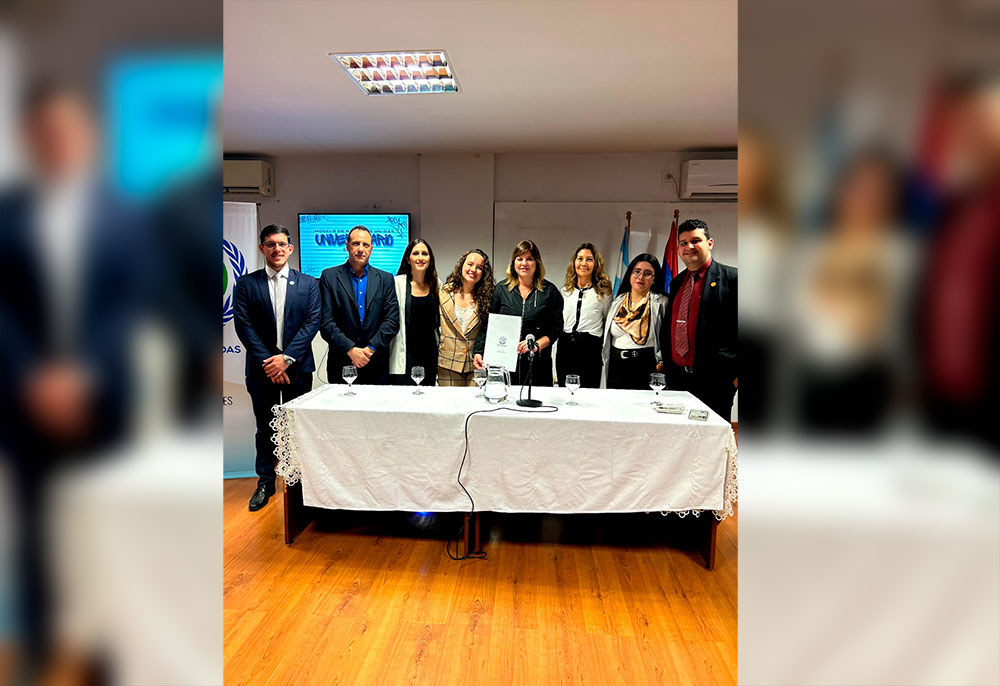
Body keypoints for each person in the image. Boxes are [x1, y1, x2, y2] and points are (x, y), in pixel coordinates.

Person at [0, 81, 147, 674]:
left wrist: (82, 374)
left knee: (104, 528)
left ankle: (106, 651)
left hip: (103, 400)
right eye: (46, 130)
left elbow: (132, 303)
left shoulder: (124, 215)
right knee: (38, 533)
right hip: (25, 400)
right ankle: (36, 649)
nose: (58, 140)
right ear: (31, 138)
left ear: (88, 136)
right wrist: (33, 376)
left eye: (69, 129)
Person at [233, 224, 321, 511]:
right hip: (262, 370)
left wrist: (287, 358)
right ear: (262, 248)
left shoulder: (308, 284)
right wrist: (270, 362)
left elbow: (312, 323)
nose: (277, 249)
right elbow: (244, 326)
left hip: (298, 368)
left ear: (290, 248)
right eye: (270, 244)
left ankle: (297, 482)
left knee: (297, 427)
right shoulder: (247, 284)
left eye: (282, 244)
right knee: (265, 428)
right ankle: (266, 481)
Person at [660, 219, 738, 421]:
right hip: (677, 380)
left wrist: (735, 377)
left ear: (709, 243)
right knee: (678, 434)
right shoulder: (677, 282)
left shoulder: (733, 279)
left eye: (695, 241)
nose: (689, 247)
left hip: (716, 382)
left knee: (711, 437)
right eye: (683, 243)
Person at [473, 240, 563, 387]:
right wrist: (478, 351)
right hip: (505, 363)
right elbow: (488, 324)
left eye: (529, 259)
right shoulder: (501, 289)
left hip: (538, 363)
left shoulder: (550, 291)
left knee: (538, 400)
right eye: (519, 259)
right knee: (506, 399)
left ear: (537, 263)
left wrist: (537, 344)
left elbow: (556, 328)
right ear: (513, 262)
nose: (524, 263)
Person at [318, 225, 400, 385]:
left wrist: (369, 350)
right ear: (347, 246)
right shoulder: (329, 277)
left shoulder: (386, 279)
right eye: (356, 244)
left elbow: (392, 321)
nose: (361, 249)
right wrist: (350, 350)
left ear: (371, 249)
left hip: (376, 363)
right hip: (341, 363)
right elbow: (326, 322)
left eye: (365, 245)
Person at [601, 253, 667, 389]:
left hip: (645, 365)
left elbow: (668, 339)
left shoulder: (661, 303)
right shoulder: (617, 302)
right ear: (630, 274)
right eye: (637, 271)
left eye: (647, 273)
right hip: (616, 365)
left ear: (654, 279)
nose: (640, 277)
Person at [556, 243, 613, 388]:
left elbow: (607, 320)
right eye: (580, 259)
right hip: (566, 347)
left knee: (589, 392)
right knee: (565, 390)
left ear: (596, 264)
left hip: (590, 348)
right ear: (574, 262)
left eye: (589, 259)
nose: (583, 263)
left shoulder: (603, 293)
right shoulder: (565, 291)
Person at [438, 248, 494, 386]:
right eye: (470, 264)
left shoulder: (487, 298)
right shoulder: (443, 292)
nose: (473, 270)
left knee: (475, 401)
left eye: (479, 267)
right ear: (461, 265)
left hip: (475, 365)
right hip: (447, 364)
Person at [388, 238, 440, 385]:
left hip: (429, 355)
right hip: (404, 355)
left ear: (430, 259)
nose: (420, 257)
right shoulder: (396, 283)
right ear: (408, 259)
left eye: (425, 254)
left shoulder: (436, 284)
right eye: (416, 253)